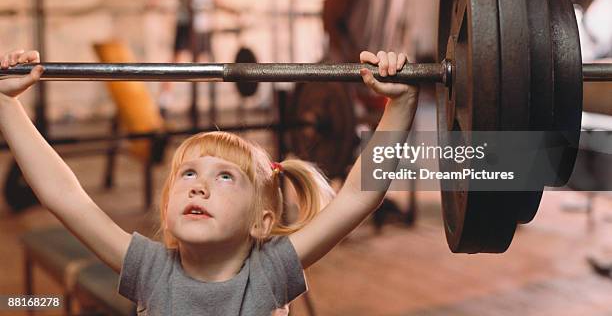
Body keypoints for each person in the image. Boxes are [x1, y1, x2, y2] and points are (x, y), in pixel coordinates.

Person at [0, 49, 418, 315]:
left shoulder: (269, 274)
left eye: (224, 177)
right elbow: (65, 198)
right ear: (167, 207)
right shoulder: (151, 271)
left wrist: (398, 106)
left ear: (261, 222)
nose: (199, 187)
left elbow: (356, 199)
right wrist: (6, 104)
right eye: (187, 174)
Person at [146, 0, 241, 112]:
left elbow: (219, 2)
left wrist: (234, 11)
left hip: (202, 29)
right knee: (175, 61)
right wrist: (153, 1)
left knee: (203, 63)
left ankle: (197, 103)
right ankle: (164, 102)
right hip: (185, 26)